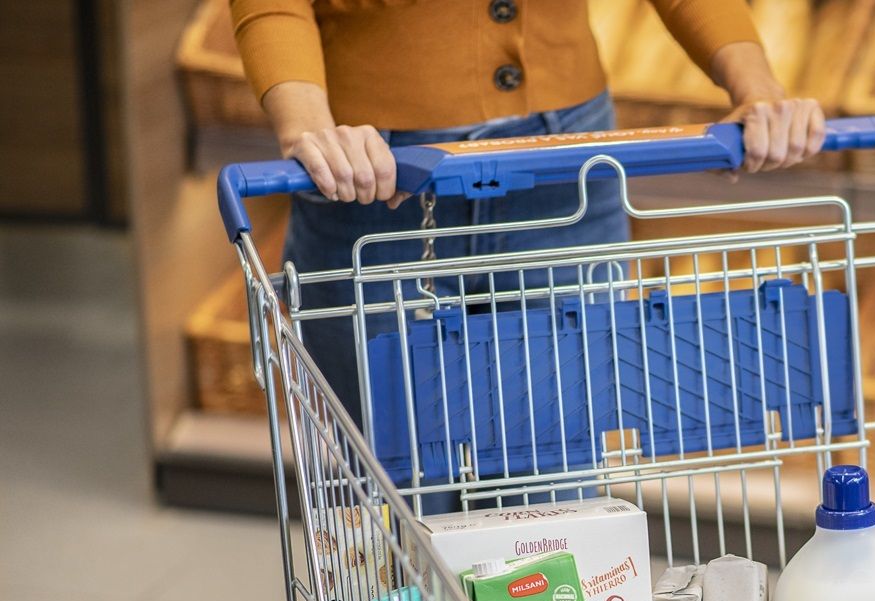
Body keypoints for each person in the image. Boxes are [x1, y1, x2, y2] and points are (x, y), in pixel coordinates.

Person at [230, 0, 824, 424]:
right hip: (369, 174)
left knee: (557, 483)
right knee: (389, 500)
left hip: (566, 163)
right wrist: (310, 128)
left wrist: (757, 88)